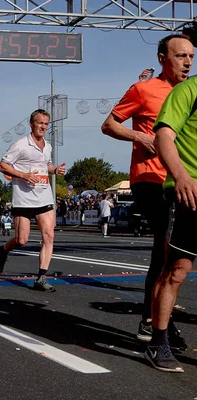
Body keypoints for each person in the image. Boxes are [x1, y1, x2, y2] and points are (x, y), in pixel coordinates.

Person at [101, 34, 193, 347]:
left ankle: (155, 319)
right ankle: (152, 321)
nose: (188, 62)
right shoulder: (144, 89)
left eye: (191, 56)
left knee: (175, 254)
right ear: (161, 58)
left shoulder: (190, 92)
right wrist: (141, 138)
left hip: (182, 181)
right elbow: (109, 125)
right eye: (180, 56)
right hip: (149, 179)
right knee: (165, 245)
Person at [147, 64, 197, 373]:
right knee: (176, 270)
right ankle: (158, 341)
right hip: (189, 190)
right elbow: (164, 136)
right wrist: (180, 176)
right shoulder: (188, 90)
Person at [0, 109, 66, 292]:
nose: (43, 127)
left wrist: (54, 170)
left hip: (44, 196)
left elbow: (44, 164)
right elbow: (2, 165)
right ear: (32, 124)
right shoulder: (21, 145)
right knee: (21, 239)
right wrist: (23, 175)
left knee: (49, 235)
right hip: (24, 199)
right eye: (40, 123)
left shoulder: (47, 146)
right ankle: (4, 250)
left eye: (46, 124)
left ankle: (41, 277)